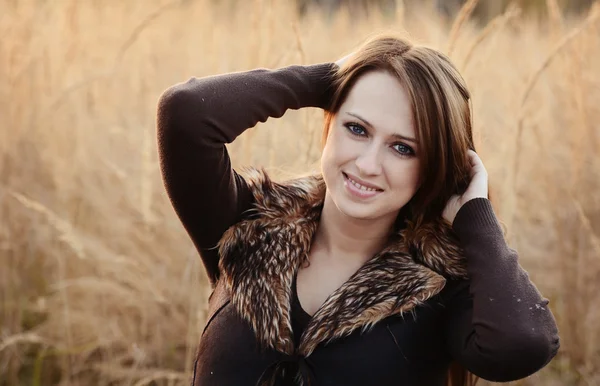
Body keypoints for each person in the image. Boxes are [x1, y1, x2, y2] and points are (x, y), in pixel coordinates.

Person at [156, 35, 560, 386]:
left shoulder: (442, 290)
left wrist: (475, 215)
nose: (368, 163)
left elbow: (524, 343)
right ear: (329, 122)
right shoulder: (245, 226)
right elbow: (186, 113)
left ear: (432, 169)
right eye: (357, 128)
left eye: (403, 148)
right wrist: (333, 77)